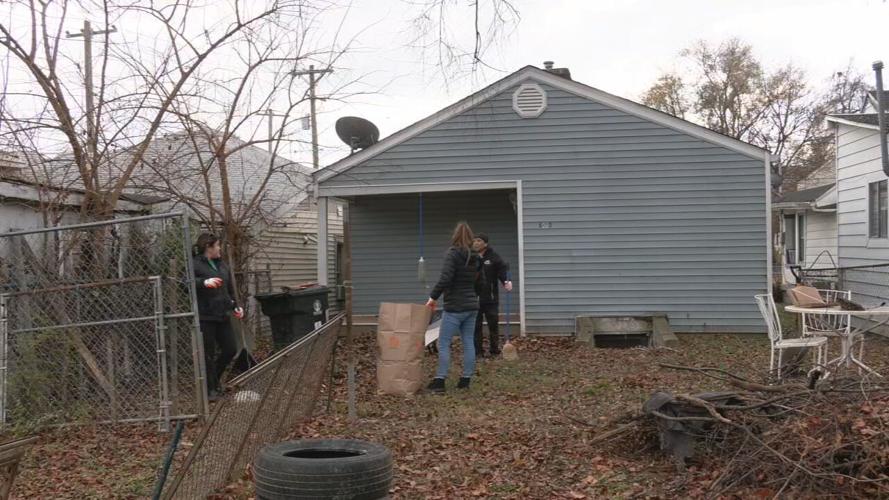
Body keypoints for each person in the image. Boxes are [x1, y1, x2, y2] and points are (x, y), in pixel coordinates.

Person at [425, 222, 480, 393]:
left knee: (443, 343)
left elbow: (445, 279)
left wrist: (432, 297)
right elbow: (481, 281)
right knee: (468, 342)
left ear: (454, 236)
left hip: (455, 307)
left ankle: (440, 381)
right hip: (472, 306)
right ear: (471, 237)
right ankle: (465, 379)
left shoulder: (452, 254)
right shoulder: (475, 256)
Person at [192, 233, 244, 400]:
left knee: (230, 349)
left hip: (223, 314)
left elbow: (229, 290)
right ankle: (210, 390)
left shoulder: (222, 265)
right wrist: (203, 283)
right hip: (206, 316)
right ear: (208, 247)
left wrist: (236, 305)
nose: (220, 248)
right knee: (208, 353)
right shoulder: (195, 264)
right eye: (217, 245)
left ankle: (213, 380)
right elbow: (185, 283)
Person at [472, 233, 512, 357]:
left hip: (491, 299)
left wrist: (506, 281)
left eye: (479, 241)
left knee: (493, 325)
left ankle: (494, 350)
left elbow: (502, 270)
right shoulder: (471, 257)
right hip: (474, 299)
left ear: (485, 243)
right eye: (474, 241)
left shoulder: (493, 257)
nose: (476, 243)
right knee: (476, 327)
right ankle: (478, 352)